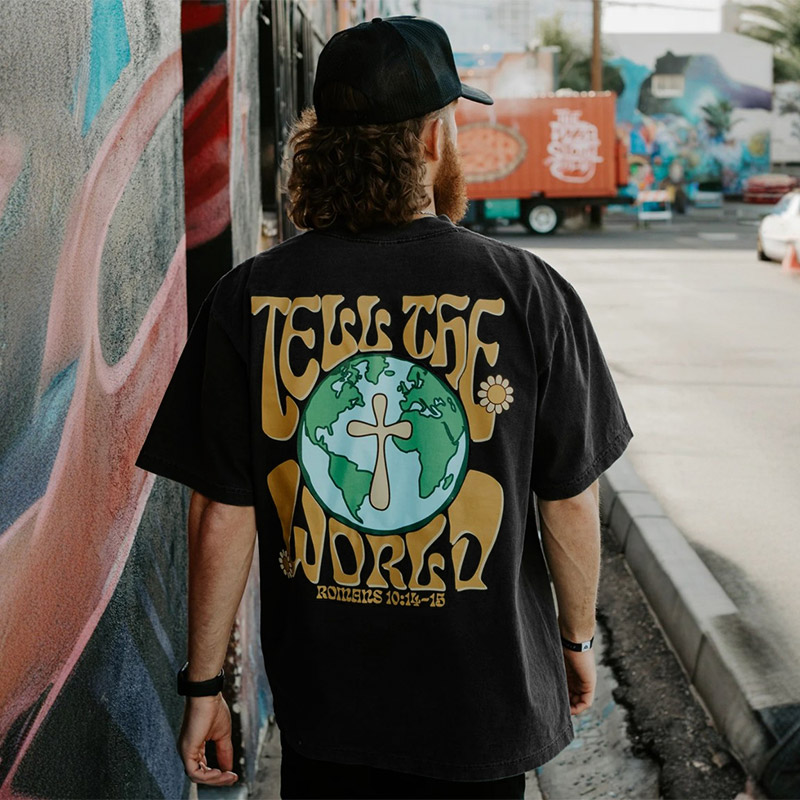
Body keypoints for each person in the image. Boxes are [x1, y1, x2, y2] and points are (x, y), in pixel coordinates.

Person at [136, 15, 632, 800]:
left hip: (328, 713)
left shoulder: (250, 298)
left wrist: (204, 686)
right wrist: (574, 637)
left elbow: (221, 510)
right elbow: (568, 495)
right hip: (482, 712)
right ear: (434, 140)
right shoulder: (527, 292)